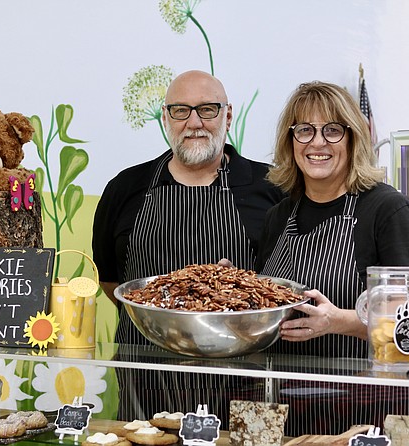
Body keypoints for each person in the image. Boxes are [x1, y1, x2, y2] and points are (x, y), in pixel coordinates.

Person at [92, 70, 285, 423]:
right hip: (146, 376)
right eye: (181, 110)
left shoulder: (270, 187)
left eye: (207, 109)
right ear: (166, 118)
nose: (194, 122)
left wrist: (237, 289)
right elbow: (111, 282)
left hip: (243, 379)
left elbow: (283, 283)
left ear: (228, 116)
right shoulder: (125, 188)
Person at [255, 81, 409, 435]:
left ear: (353, 139)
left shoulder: (387, 210)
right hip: (290, 409)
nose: (317, 142)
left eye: (332, 130)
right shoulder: (279, 216)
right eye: (304, 130)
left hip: (370, 409)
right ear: (290, 143)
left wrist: (339, 321)